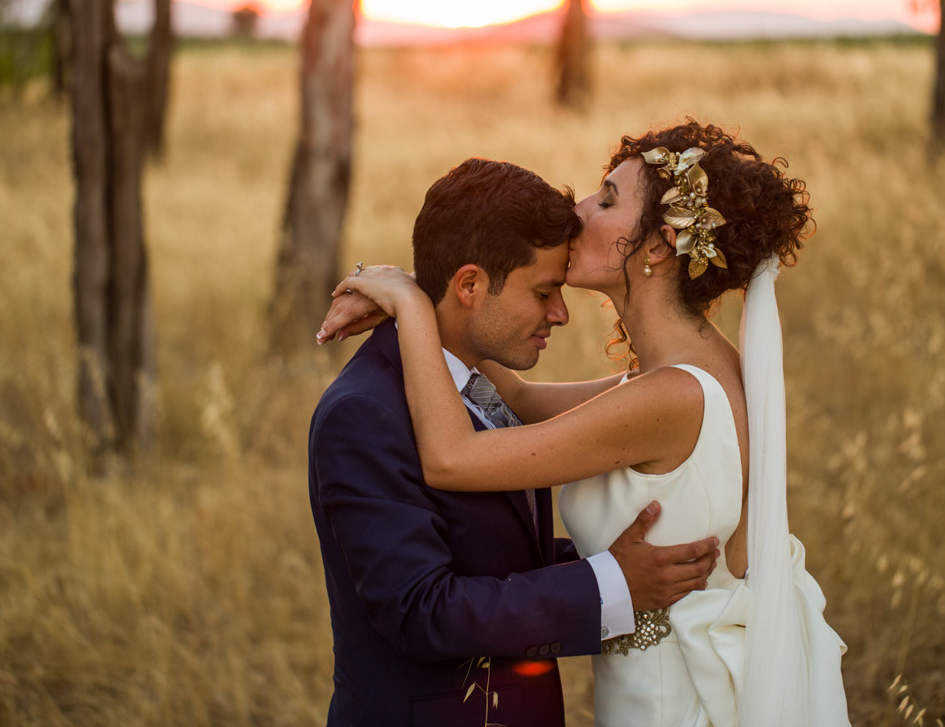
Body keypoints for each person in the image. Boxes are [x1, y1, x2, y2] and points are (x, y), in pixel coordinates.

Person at [323, 121, 851, 726]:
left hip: (670, 699)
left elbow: (452, 458)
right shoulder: (690, 371)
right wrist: (437, 284)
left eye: (607, 200)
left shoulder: (670, 398)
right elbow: (515, 397)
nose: (580, 212)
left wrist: (413, 302)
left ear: (658, 246)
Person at [308, 157, 722, 727]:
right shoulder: (362, 413)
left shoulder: (478, 381)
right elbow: (420, 610)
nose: (560, 313)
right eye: (544, 291)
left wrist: (616, 559)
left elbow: (486, 549)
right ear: (469, 285)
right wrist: (610, 583)